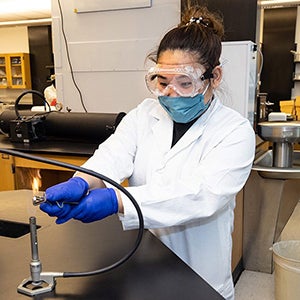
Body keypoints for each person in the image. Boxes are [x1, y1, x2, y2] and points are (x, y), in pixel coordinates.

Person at [40, 5, 255, 300]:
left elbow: (202, 194)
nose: (171, 94)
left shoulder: (234, 131)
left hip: (200, 277)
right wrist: (85, 182)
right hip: (145, 266)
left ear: (214, 77)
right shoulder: (145, 114)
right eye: (163, 82)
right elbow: (114, 155)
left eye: (185, 83)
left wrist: (117, 200)